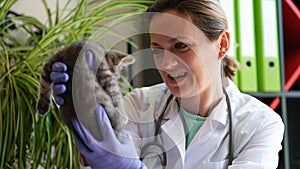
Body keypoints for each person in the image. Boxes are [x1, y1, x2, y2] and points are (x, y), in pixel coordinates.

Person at [50, 0, 284, 168]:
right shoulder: (138, 104)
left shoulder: (261, 125)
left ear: (221, 44)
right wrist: (84, 108)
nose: (166, 64)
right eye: (157, 50)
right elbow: (104, 154)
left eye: (181, 46)